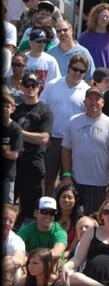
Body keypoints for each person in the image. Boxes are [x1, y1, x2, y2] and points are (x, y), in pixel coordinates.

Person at [60, 87, 109, 215]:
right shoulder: (73, 122)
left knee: (94, 222)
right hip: (76, 182)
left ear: (103, 102)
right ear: (84, 102)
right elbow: (66, 149)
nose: (93, 102)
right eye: (90, 98)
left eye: (97, 99)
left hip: (99, 184)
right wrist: (66, 175)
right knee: (72, 219)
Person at [39, 55, 90, 196]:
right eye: (75, 69)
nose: (77, 73)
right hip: (53, 140)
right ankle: (47, 209)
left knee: (68, 181)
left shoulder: (87, 91)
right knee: (48, 179)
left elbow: (88, 119)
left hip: (74, 143)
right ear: (69, 68)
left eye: (82, 71)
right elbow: (42, 111)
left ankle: (63, 213)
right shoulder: (53, 85)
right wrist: (46, 136)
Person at [12, 72, 53, 223]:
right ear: (21, 87)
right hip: (14, 165)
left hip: (34, 165)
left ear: (39, 88)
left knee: (31, 212)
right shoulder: (15, 111)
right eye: (27, 85)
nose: (30, 88)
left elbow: (43, 138)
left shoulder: (45, 111)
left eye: (33, 85)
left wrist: (18, 132)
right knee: (8, 206)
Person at [16, 197, 67, 265]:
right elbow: (15, 246)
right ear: (36, 213)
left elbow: (57, 253)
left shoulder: (60, 232)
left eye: (52, 213)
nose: (48, 216)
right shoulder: (27, 229)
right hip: (30, 267)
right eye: (44, 212)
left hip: (50, 270)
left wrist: (31, 259)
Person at [77, 3, 109, 70]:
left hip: (105, 78)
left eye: (107, 17)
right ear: (96, 17)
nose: (104, 19)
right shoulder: (83, 38)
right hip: (88, 78)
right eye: (102, 16)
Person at [1, 91, 24, 205]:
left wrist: (7, 151)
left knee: (7, 207)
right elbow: (7, 151)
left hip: (7, 176)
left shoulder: (15, 129)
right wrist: (5, 149)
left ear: (12, 109)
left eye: (7, 106)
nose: (4, 109)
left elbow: (14, 154)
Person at [54, 183, 84, 253]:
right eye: (63, 197)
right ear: (58, 199)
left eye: (70, 198)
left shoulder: (79, 221)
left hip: (70, 256)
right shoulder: (51, 216)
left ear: (75, 200)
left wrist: (62, 258)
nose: (66, 200)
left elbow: (72, 248)